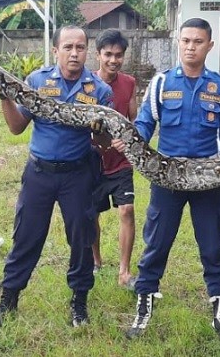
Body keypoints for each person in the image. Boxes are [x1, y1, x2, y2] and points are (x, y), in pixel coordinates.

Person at [112, 18, 220, 346]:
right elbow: (146, 123)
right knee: (157, 243)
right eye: (186, 40)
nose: (191, 47)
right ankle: (143, 309)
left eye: (198, 41)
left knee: (213, 248)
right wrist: (132, 141)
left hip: (207, 181)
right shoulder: (162, 82)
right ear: (179, 41)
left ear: (210, 45)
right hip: (168, 178)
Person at [0, 25, 113, 331]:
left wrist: (100, 133)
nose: (74, 53)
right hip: (39, 173)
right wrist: (5, 99)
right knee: (26, 236)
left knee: (81, 239)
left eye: (80, 47)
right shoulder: (37, 82)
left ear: (87, 51)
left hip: (78, 174)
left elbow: (106, 145)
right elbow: (16, 128)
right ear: (55, 51)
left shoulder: (99, 91)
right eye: (68, 47)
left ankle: (79, 302)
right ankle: (8, 301)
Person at [90, 29, 138, 289]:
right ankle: (96, 261)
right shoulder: (86, 83)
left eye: (118, 55)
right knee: (92, 215)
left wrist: (126, 140)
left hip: (121, 161)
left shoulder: (129, 83)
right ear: (98, 55)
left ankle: (125, 272)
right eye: (108, 54)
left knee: (127, 211)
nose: (113, 60)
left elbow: (135, 121)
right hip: (93, 161)